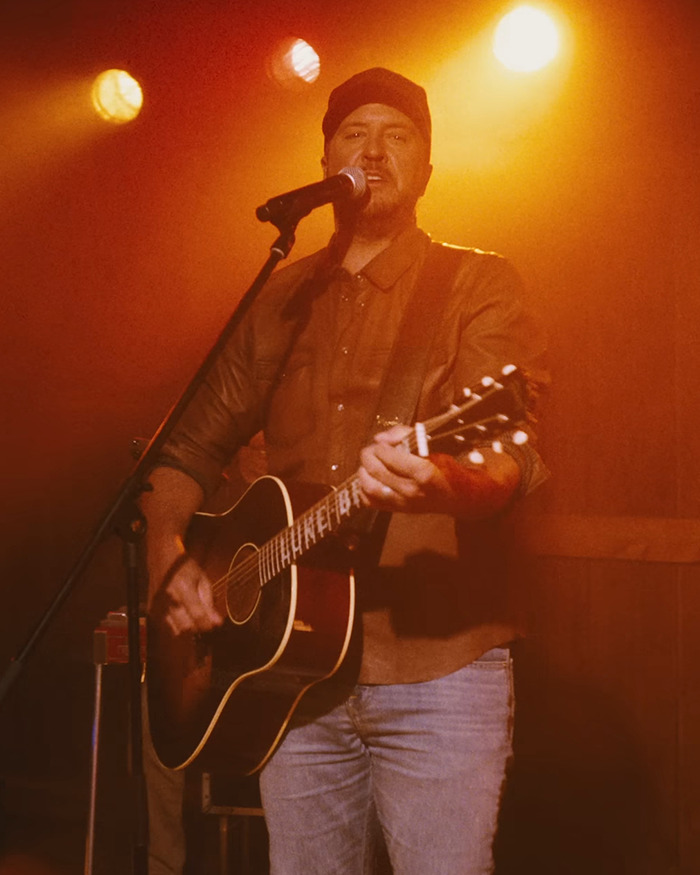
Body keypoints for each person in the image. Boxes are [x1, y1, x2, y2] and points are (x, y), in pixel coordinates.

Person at [141, 67, 548, 875]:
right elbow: (182, 453)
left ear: (427, 168)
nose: (375, 149)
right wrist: (171, 563)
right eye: (355, 133)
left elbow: (510, 460)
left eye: (398, 136)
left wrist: (440, 482)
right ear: (327, 161)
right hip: (286, 675)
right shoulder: (284, 296)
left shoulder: (476, 284)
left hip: (437, 672)